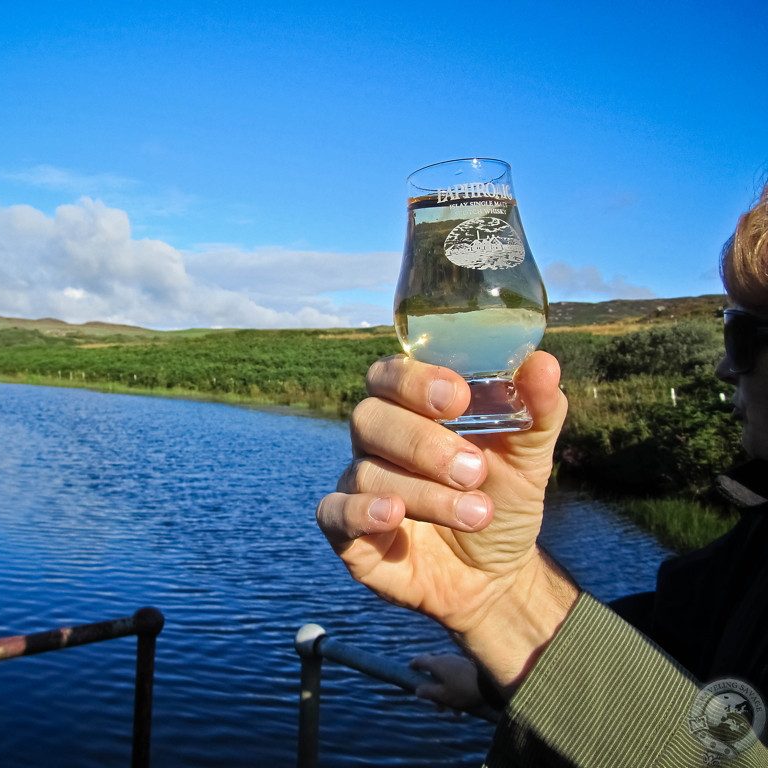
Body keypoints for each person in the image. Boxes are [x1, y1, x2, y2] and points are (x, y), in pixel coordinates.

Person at [316, 181, 768, 766]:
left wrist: (505, 604)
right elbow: (687, 670)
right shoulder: (750, 553)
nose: (724, 366)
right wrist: (502, 594)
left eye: (744, 333)